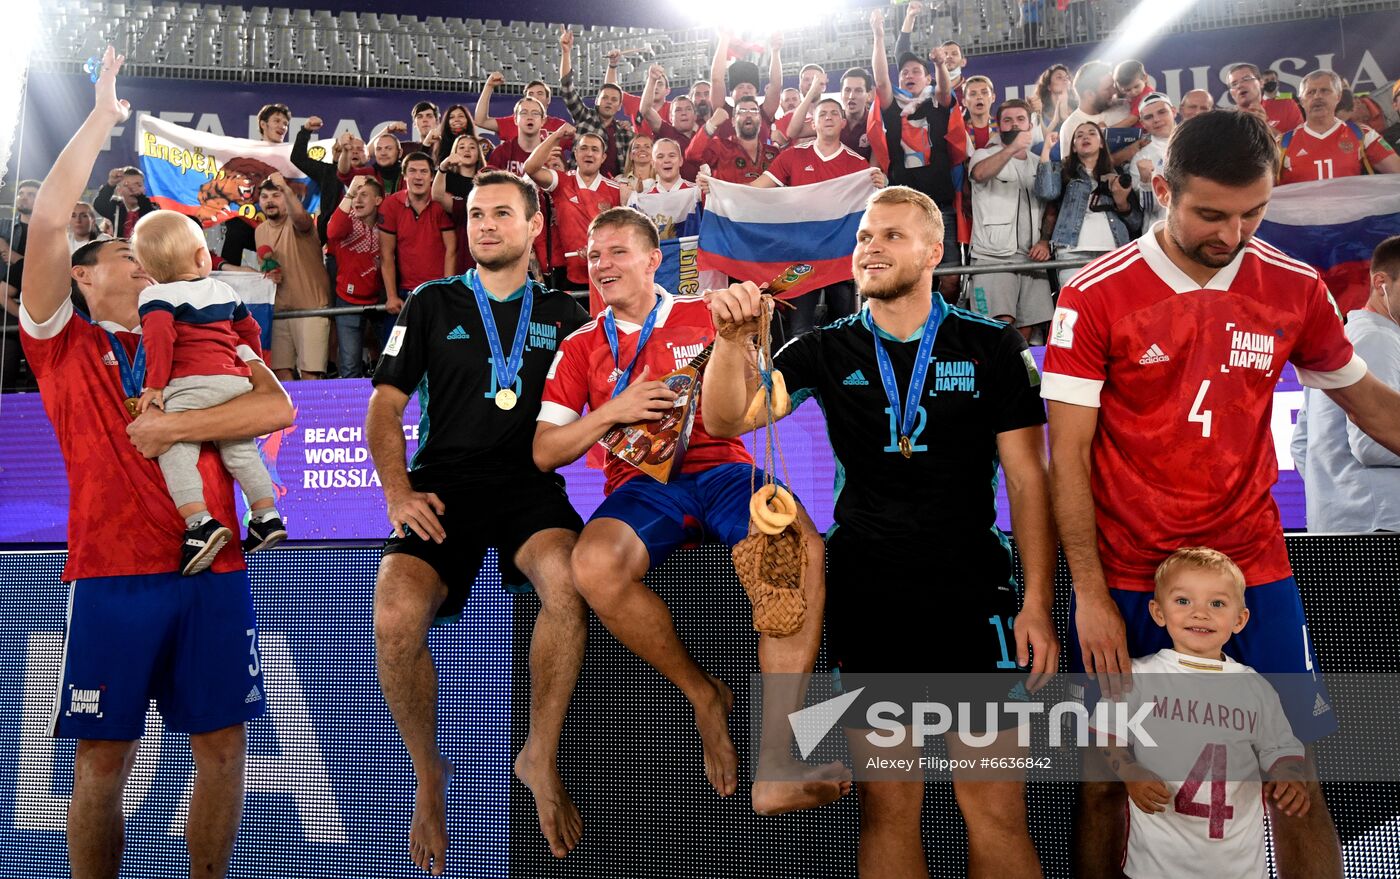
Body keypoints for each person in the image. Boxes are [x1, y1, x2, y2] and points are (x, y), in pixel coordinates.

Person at [1041, 109, 1400, 878]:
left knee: (1294, 775)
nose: (1233, 234)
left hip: (1252, 568)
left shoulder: (1293, 286)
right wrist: (1090, 593)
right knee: (1109, 780)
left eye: (1253, 213)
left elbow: (1372, 404)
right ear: (1162, 189)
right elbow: (1064, 457)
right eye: (1211, 213)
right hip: (1132, 572)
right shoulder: (1096, 294)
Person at [702, 184, 1059, 877]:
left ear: (934, 252)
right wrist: (729, 342)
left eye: (891, 236)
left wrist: (1037, 602)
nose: (871, 247)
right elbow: (727, 419)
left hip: (973, 595)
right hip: (871, 594)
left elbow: (1026, 481)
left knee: (994, 810)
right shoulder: (825, 348)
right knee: (889, 809)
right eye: (865, 236)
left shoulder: (989, 345)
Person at [20, 48, 293, 878]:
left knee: (223, 749)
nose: (141, 262)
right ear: (82, 276)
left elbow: (277, 408)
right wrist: (102, 118)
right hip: (113, 573)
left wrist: (175, 430)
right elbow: (45, 220)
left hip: (215, 566)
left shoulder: (207, 326)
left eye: (146, 258)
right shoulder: (61, 340)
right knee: (103, 765)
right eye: (120, 257)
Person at [534, 207, 845, 817]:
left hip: (723, 469)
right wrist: (610, 412)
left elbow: (757, 398)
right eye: (594, 256)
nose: (602, 266)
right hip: (644, 487)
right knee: (592, 566)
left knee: (794, 541)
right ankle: (704, 696)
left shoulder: (708, 312)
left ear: (656, 260)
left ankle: (779, 759)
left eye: (617, 252)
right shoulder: (579, 346)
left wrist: (742, 335)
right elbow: (545, 451)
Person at [368, 169, 592, 872]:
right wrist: (398, 492)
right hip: (444, 485)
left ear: (533, 227)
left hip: (530, 485)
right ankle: (428, 771)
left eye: (502, 214)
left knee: (567, 583)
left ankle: (538, 755)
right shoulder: (433, 301)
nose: (485, 225)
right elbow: (383, 407)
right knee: (394, 616)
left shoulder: (564, 311)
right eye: (475, 215)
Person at [1095, 548, 1311, 879]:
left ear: (1239, 619)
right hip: (1156, 867)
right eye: (1183, 601)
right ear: (1158, 611)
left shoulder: (1256, 688)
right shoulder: (1138, 677)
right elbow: (1105, 731)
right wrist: (1129, 770)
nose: (1200, 614)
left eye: (1217, 604)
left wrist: (1289, 777)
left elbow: (1281, 749)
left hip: (1239, 868)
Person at [129, 210, 287, 570]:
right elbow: (250, 332)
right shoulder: (224, 289)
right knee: (240, 448)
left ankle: (199, 522)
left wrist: (154, 385)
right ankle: (266, 515)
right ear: (203, 257)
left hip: (188, 385)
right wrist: (250, 363)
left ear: (148, 270)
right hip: (233, 382)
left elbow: (160, 339)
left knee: (175, 451)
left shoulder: (156, 296)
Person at [752, 95, 886, 337]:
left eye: (835, 113)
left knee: (844, 330)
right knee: (800, 331)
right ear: (812, 123)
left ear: (843, 123)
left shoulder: (858, 165)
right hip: (801, 257)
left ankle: (838, 375)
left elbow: (876, 212)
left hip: (841, 259)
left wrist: (883, 186)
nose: (828, 117)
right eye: (822, 113)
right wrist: (718, 188)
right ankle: (800, 376)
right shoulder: (792, 156)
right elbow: (755, 190)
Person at [1292, 235, 1400, 532]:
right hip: (1384, 524)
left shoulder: (1343, 340)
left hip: (1346, 522)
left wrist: (1337, 496)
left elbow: (1302, 444)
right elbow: (1372, 444)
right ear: (1381, 283)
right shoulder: (1376, 337)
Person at [870, 8, 963, 304]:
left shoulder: (937, 105)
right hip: (903, 209)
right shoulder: (893, 107)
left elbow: (946, 91)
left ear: (926, 78)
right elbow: (881, 80)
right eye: (905, 72)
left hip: (941, 206)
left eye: (915, 72)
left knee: (950, 279)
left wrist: (939, 65)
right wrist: (878, 35)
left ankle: (940, 332)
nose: (909, 76)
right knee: (906, 278)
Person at [967, 100, 1055, 339]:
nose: (1014, 124)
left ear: (1030, 124)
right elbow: (980, 174)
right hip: (992, 256)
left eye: (1020, 119)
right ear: (999, 126)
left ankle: (1021, 377)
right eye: (1007, 120)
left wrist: (1045, 241)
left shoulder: (1040, 162)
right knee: (999, 330)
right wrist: (1012, 148)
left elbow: (1051, 206)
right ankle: (994, 377)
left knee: (1025, 333)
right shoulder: (983, 154)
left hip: (1031, 258)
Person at [523, 125, 625, 305]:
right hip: (569, 276)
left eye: (595, 150)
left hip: (606, 273)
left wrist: (600, 251)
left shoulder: (617, 191)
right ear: (575, 154)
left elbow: (623, 234)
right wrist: (557, 135)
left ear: (603, 158)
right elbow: (530, 168)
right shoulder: (562, 182)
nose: (589, 153)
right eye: (584, 148)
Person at [1034, 121, 1142, 285]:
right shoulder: (1063, 171)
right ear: (1074, 147)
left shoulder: (1118, 174)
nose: (1085, 136)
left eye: (1092, 133)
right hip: (1072, 252)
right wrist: (1047, 150)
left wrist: (1121, 203)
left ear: (1100, 143)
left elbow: (1135, 223)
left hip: (1113, 251)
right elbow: (1047, 192)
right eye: (1079, 135)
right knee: (1076, 308)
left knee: (1113, 308)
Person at [255, 172, 331, 380]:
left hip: (311, 309)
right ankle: (291, 414)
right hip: (279, 312)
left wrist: (286, 188)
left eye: (276, 195)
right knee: (280, 374)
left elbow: (301, 218)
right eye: (265, 197)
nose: (270, 201)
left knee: (310, 374)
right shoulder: (259, 231)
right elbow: (267, 269)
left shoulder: (299, 223)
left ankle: (314, 414)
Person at [1278, 70, 1400, 184]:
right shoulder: (1281, 144)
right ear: (1301, 101)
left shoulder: (1363, 135)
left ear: (1338, 96)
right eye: (1310, 92)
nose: (1317, 96)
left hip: (1352, 207)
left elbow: (1397, 171)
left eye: (1325, 90)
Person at [379, 152, 456, 321]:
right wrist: (391, 296)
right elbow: (386, 255)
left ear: (432, 177)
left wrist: (446, 290)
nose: (418, 177)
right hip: (405, 293)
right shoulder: (390, 205)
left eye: (423, 171)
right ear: (404, 175)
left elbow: (452, 250)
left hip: (438, 290)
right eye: (412, 171)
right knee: (396, 347)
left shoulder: (442, 203)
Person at [326, 174, 385, 379]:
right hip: (348, 301)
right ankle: (352, 411)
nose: (357, 200)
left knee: (390, 361)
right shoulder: (348, 222)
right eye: (355, 195)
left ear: (378, 201)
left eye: (364, 195)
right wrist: (349, 193)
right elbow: (332, 232)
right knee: (350, 366)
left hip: (382, 302)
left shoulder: (386, 226)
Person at [559, 28, 633, 178]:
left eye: (614, 100)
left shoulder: (625, 132)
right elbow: (567, 87)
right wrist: (566, 52)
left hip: (613, 192)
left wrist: (612, 65)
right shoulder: (584, 116)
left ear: (619, 106)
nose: (609, 102)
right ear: (597, 100)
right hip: (579, 187)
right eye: (604, 98)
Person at [684, 97, 782, 185]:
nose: (748, 115)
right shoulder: (720, 147)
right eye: (742, 111)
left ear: (760, 121)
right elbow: (692, 155)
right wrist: (711, 124)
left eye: (754, 111)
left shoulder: (773, 153)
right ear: (733, 121)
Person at [433, 134, 485, 276]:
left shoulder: (485, 180)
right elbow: (436, 195)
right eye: (461, 147)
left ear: (479, 154)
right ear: (454, 152)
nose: (466, 150)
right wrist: (443, 167)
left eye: (472, 147)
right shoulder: (446, 178)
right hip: (454, 245)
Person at [474, 73, 572, 144]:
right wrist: (489, 86)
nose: (535, 97)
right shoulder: (513, 121)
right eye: (531, 94)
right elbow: (480, 121)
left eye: (540, 93)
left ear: (548, 99)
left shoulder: (560, 127)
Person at [1058, 61, 1128, 153]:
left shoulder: (1126, 106)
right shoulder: (1071, 127)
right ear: (1089, 94)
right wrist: (1129, 152)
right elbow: (1071, 166)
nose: (1114, 91)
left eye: (1113, 85)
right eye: (1108, 88)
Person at [1130, 92, 1175, 233]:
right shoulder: (1140, 158)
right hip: (1160, 233)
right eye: (1149, 117)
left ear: (1173, 112)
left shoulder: (1197, 144)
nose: (1156, 120)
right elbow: (1149, 208)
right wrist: (1145, 182)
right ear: (1143, 123)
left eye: (1162, 112)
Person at [1227, 63, 1303, 137]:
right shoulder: (1226, 120)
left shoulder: (1287, 106)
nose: (1240, 85)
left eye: (1246, 79)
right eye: (1234, 84)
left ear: (1261, 82)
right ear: (1231, 93)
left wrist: (1263, 125)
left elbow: (1300, 144)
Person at [96, 166, 159, 239]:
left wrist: (140, 196)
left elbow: (151, 215)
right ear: (119, 191)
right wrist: (110, 184)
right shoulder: (116, 207)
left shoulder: (151, 208)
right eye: (126, 185)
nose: (132, 189)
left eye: (138, 185)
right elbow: (99, 204)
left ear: (144, 190)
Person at [1034, 64, 1074, 149]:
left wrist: (1064, 116)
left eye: (1067, 78)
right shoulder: (1041, 112)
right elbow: (1041, 141)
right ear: (1049, 86)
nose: (1064, 80)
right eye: (1059, 77)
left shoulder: (1078, 108)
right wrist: (1055, 121)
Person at [963, 76, 998, 150]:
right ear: (964, 102)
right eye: (973, 94)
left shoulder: (1003, 126)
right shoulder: (961, 130)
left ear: (993, 98)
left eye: (984, 92)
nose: (979, 96)